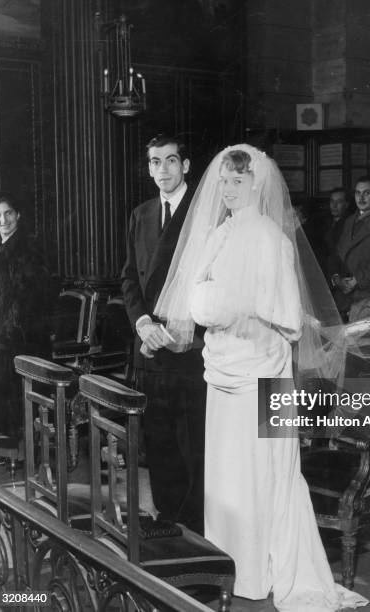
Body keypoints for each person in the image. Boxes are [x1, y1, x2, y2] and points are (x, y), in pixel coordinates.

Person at [153, 144, 368, 611]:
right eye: (224, 182)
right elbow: (196, 304)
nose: (228, 190)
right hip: (223, 370)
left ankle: (266, 569)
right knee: (228, 475)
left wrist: (238, 307)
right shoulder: (215, 236)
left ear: (258, 184)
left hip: (266, 377)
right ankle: (232, 567)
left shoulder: (273, 238)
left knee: (269, 472)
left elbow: (288, 320)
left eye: (238, 181)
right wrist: (217, 305)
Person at [121, 134, 205, 533]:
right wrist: (141, 323)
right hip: (150, 349)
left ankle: (194, 536)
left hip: (190, 348)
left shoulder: (205, 213)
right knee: (160, 446)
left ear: (186, 166)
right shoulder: (142, 214)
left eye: (171, 161)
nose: (163, 171)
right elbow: (128, 278)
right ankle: (169, 530)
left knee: (193, 448)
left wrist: (177, 326)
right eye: (155, 162)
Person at [0, 192, 51, 441]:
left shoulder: (28, 249)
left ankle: (18, 449)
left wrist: (4, 331)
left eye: (8, 213)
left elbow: (25, 299)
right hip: (4, 331)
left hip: (21, 337)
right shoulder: (3, 249)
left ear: (18, 215)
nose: (3, 219)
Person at [331, 176, 370, 321]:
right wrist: (336, 278)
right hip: (343, 295)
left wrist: (358, 280)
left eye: (367, 193)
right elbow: (337, 254)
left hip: (368, 295)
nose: (361, 198)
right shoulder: (349, 221)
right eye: (357, 193)